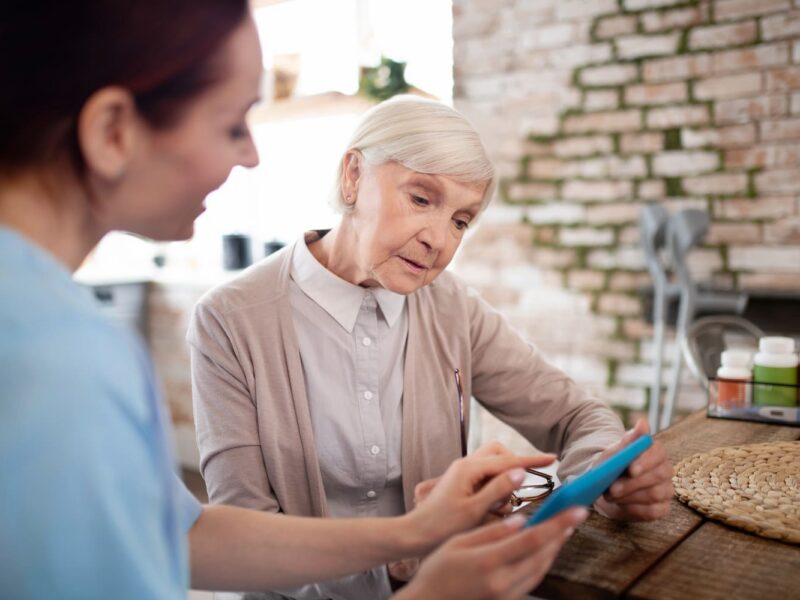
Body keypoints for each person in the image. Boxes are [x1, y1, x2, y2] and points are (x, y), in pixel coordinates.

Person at [0, 2, 590, 599]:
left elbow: (187, 537)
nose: (252, 155)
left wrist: (417, 534)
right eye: (232, 123)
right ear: (112, 133)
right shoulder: (65, 355)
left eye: (461, 219)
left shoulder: (53, 326)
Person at [189, 97, 674, 598]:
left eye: (460, 221)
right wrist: (398, 568)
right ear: (353, 176)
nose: (439, 240)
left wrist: (607, 479)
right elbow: (242, 538)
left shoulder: (454, 308)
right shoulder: (230, 321)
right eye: (421, 199)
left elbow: (578, 416)